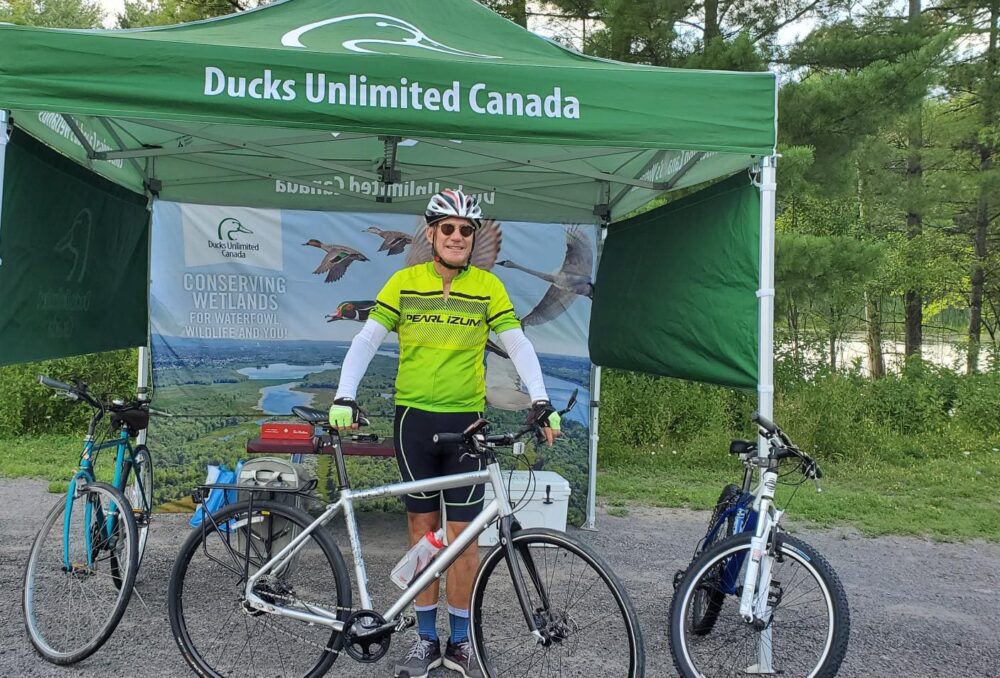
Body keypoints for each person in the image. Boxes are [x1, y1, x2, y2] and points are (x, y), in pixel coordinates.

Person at [329, 188, 560, 678]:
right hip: (415, 421)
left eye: (466, 229)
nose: (457, 236)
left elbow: (517, 344)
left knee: (462, 540)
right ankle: (425, 637)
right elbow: (367, 339)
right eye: (448, 228)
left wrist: (540, 398)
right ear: (432, 234)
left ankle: (459, 642)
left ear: (473, 239)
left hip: (466, 424)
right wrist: (344, 394)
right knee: (423, 535)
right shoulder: (404, 281)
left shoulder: (488, 288)